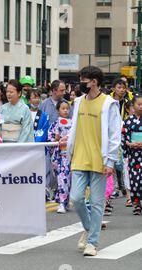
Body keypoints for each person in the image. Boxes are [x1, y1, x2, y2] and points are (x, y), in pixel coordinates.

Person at [60, 66, 121, 257]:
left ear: (94, 82)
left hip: (99, 161)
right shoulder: (78, 102)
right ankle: (89, 228)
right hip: (79, 157)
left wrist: (110, 161)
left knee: (96, 203)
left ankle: (92, 243)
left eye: (83, 81)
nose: (80, 84)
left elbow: (114, 134)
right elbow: (76, 128)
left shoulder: (109, 104)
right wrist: (68, 141)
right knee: (76, 199)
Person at [48, 100, 73, 214]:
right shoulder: (55, 124)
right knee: (62, 179)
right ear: (58, 110)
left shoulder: (73, 123)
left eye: (67, 108)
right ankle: (62, 202)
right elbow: (50, 139)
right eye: (63, 108)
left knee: (68, 179)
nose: (65, 110)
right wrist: (56, 139)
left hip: (70, 155)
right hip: (59, 155)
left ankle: (64, 202)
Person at [121, 94, 142, 215]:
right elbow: (124, 136)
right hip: (133, 155)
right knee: (134, 180)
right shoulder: (128, 121)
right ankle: (136, 204)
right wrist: (128, 144)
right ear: (133, 106)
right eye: (139, 104)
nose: (141, 107)